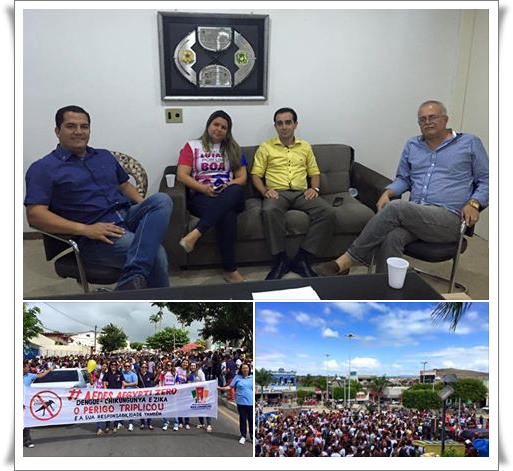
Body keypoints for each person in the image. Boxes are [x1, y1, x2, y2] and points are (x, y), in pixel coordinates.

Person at [315, 100, 489, 276]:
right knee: (392, 237)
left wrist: (474, 203)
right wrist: (388, 192)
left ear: (445, 119)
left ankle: (347, 260)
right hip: (418, 216)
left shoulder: (469, 142)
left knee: (397, 207)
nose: (427, 122)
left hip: (449, 218)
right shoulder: (413, 145)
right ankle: (385, 289)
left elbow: (488, 179)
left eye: (432, 117)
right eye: (422, 119)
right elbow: (404, 179)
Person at [24, 105, 173, 290]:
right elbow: (35, 215)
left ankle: (132, 277)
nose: (79, 132)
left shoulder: (103, 156)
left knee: (161, 200)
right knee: (156, 253)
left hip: (126, 216)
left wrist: (146, 211)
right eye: (71, 126)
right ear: (57, 131)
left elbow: (125, 185)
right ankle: (141, 284)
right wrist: (86, 229)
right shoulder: (43, 168)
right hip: (95, 235)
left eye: (84, 126)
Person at [251, 107, 335, 280]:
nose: (284, 127)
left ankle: (302, 259)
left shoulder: (305, 147)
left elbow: (314, 172)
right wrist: (265, 191)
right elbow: (256, 175)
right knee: (269, 210)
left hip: (301, 193)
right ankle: (280, 260)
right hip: (277, 193)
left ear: (295, 124)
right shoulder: (266, 148)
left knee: (328, 212)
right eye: (279, 123)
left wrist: (315, 189)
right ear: (275, 126)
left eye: (288, 122)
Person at [176, 110, 247, 283]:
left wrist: (226, 186)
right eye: (216, 124)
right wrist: (204, 189)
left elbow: (242, 178)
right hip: (202, 196)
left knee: (235, 190)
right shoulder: (192, 146)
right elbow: (181, 175)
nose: (219, 129)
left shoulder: (233, 149)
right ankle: (230, 270)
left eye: (224, 127)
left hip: (229, 193)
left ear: (228, 131)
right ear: (208, 125)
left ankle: (196, 233)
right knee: (227, 214)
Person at [218, 363, 253, 444]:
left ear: (249, 369)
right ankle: (243, 436)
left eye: (246, 368)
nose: (245, 370)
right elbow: (230, 387)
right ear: (240, 369)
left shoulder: (252, 378)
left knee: (251, 420)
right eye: (243, 368)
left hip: (250, 403)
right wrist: (221, 388)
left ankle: (252, 436)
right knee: (243, 419)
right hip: (241, 402)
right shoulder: (237, 377)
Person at [23, 361, 55, 447]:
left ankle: (27, 440)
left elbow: (40, 375)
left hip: (25, 403)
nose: (29, 368)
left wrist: (49, 370)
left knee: (26, 422)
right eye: (27, 367)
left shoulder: (29, 376)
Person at [187, 361, 212, 433]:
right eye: (191, 366)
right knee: (198, 408)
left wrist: (205, 392)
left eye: (194, 366)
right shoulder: (189, 373)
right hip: (194, 392)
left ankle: (209, 424)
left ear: (196, 366)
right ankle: (202, 423)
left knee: (205, 408)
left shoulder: (200, 372)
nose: (192, 367)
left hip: (201, 392)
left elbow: (204, 382)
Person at [158, 361, 181, 431]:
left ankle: (176, 423)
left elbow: (177, 382)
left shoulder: (175, 373)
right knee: (165, 408)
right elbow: (160, 381)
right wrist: (160, 390)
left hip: (173, 393)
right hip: (165, 393)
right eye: (168, 365)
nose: (169, 366)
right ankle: (166, 423)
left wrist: (176, 389)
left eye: (171, 365)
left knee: (174, 409)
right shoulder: (162, 373)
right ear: (166, 365)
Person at [102, 361, 124, 433]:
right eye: (112, 365)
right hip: (109, 395)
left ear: (117, 366)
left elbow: (123, 383)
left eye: (115, 365)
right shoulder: (106, 374)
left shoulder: (120, 373)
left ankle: (115, 426)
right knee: (108, 411)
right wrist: (106, 392)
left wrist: (121, 392)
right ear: (110, 366)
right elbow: (104, 383)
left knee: (116, 411)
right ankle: (107, 426)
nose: (113, 366)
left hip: (117, 395)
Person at [120, 361, 138, 431]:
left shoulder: (133, 374)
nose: (127, 367)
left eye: (128, 366)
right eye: (126, 366)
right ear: (124, 367)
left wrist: (126, 384)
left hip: (131, 394)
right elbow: (121, 383)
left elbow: (136, 383)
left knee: (131, 409)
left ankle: (131, 424)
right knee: (122, 409)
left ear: (130, 367)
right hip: (123, 394)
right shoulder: (122, 374)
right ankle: (121, 423)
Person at [91, 363, 108, 435]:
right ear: (100, 366)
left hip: (105, 394)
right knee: (99, 411)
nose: (104, 367)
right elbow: (92, 383)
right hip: (97, 394)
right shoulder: (96, 373)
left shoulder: (107, 374)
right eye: (103, 366)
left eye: (106, 366)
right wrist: (90, 376)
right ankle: (99, 428)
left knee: (106, 410)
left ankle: (107, 426)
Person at [137, 363, 155, 430]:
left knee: (149, 409)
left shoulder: (150, 374)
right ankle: (142, 423)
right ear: (140, 368)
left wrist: (158, 373)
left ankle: (149, 423)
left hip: (148, 395)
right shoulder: (138, 375)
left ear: (147, 368)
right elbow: (136, 384)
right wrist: (137, 388)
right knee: (141, 409)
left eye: (145, 367)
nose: (144, 368)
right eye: (142, 367)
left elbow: (155, 381)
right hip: (140, 395)